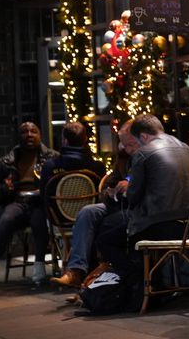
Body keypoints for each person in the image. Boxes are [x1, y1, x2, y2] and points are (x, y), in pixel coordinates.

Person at [95, 114, 189, 275]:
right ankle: (153, 281)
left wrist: (124, 192)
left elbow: (133, 197)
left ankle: (139, 283)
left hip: (158, 224)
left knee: (106, 240)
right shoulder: (186, 148)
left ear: (143, 136)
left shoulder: (143, 152)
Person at [51, 120, 137, 288]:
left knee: (102, 227)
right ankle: (76, 271)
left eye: (126, 143)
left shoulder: (146, 155)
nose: (123, 146)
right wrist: (111, 189)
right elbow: (111, 181)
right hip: (115, 203)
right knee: (88, 212)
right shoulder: (123, 158)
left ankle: (94, 284)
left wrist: (128, 185)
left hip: (133, 206)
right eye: (122, 143)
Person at [0, 122, 58, 283]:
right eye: (25, 132)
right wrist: (6, 188)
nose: (29, 134)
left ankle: (39, 265)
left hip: (39, 201)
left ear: (40, 135)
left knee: (39, 222)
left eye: (33, 131)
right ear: (19, 137)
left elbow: (57, 184)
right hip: (17, 200)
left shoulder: (51, 157)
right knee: (5, 220)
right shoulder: (7, 161)